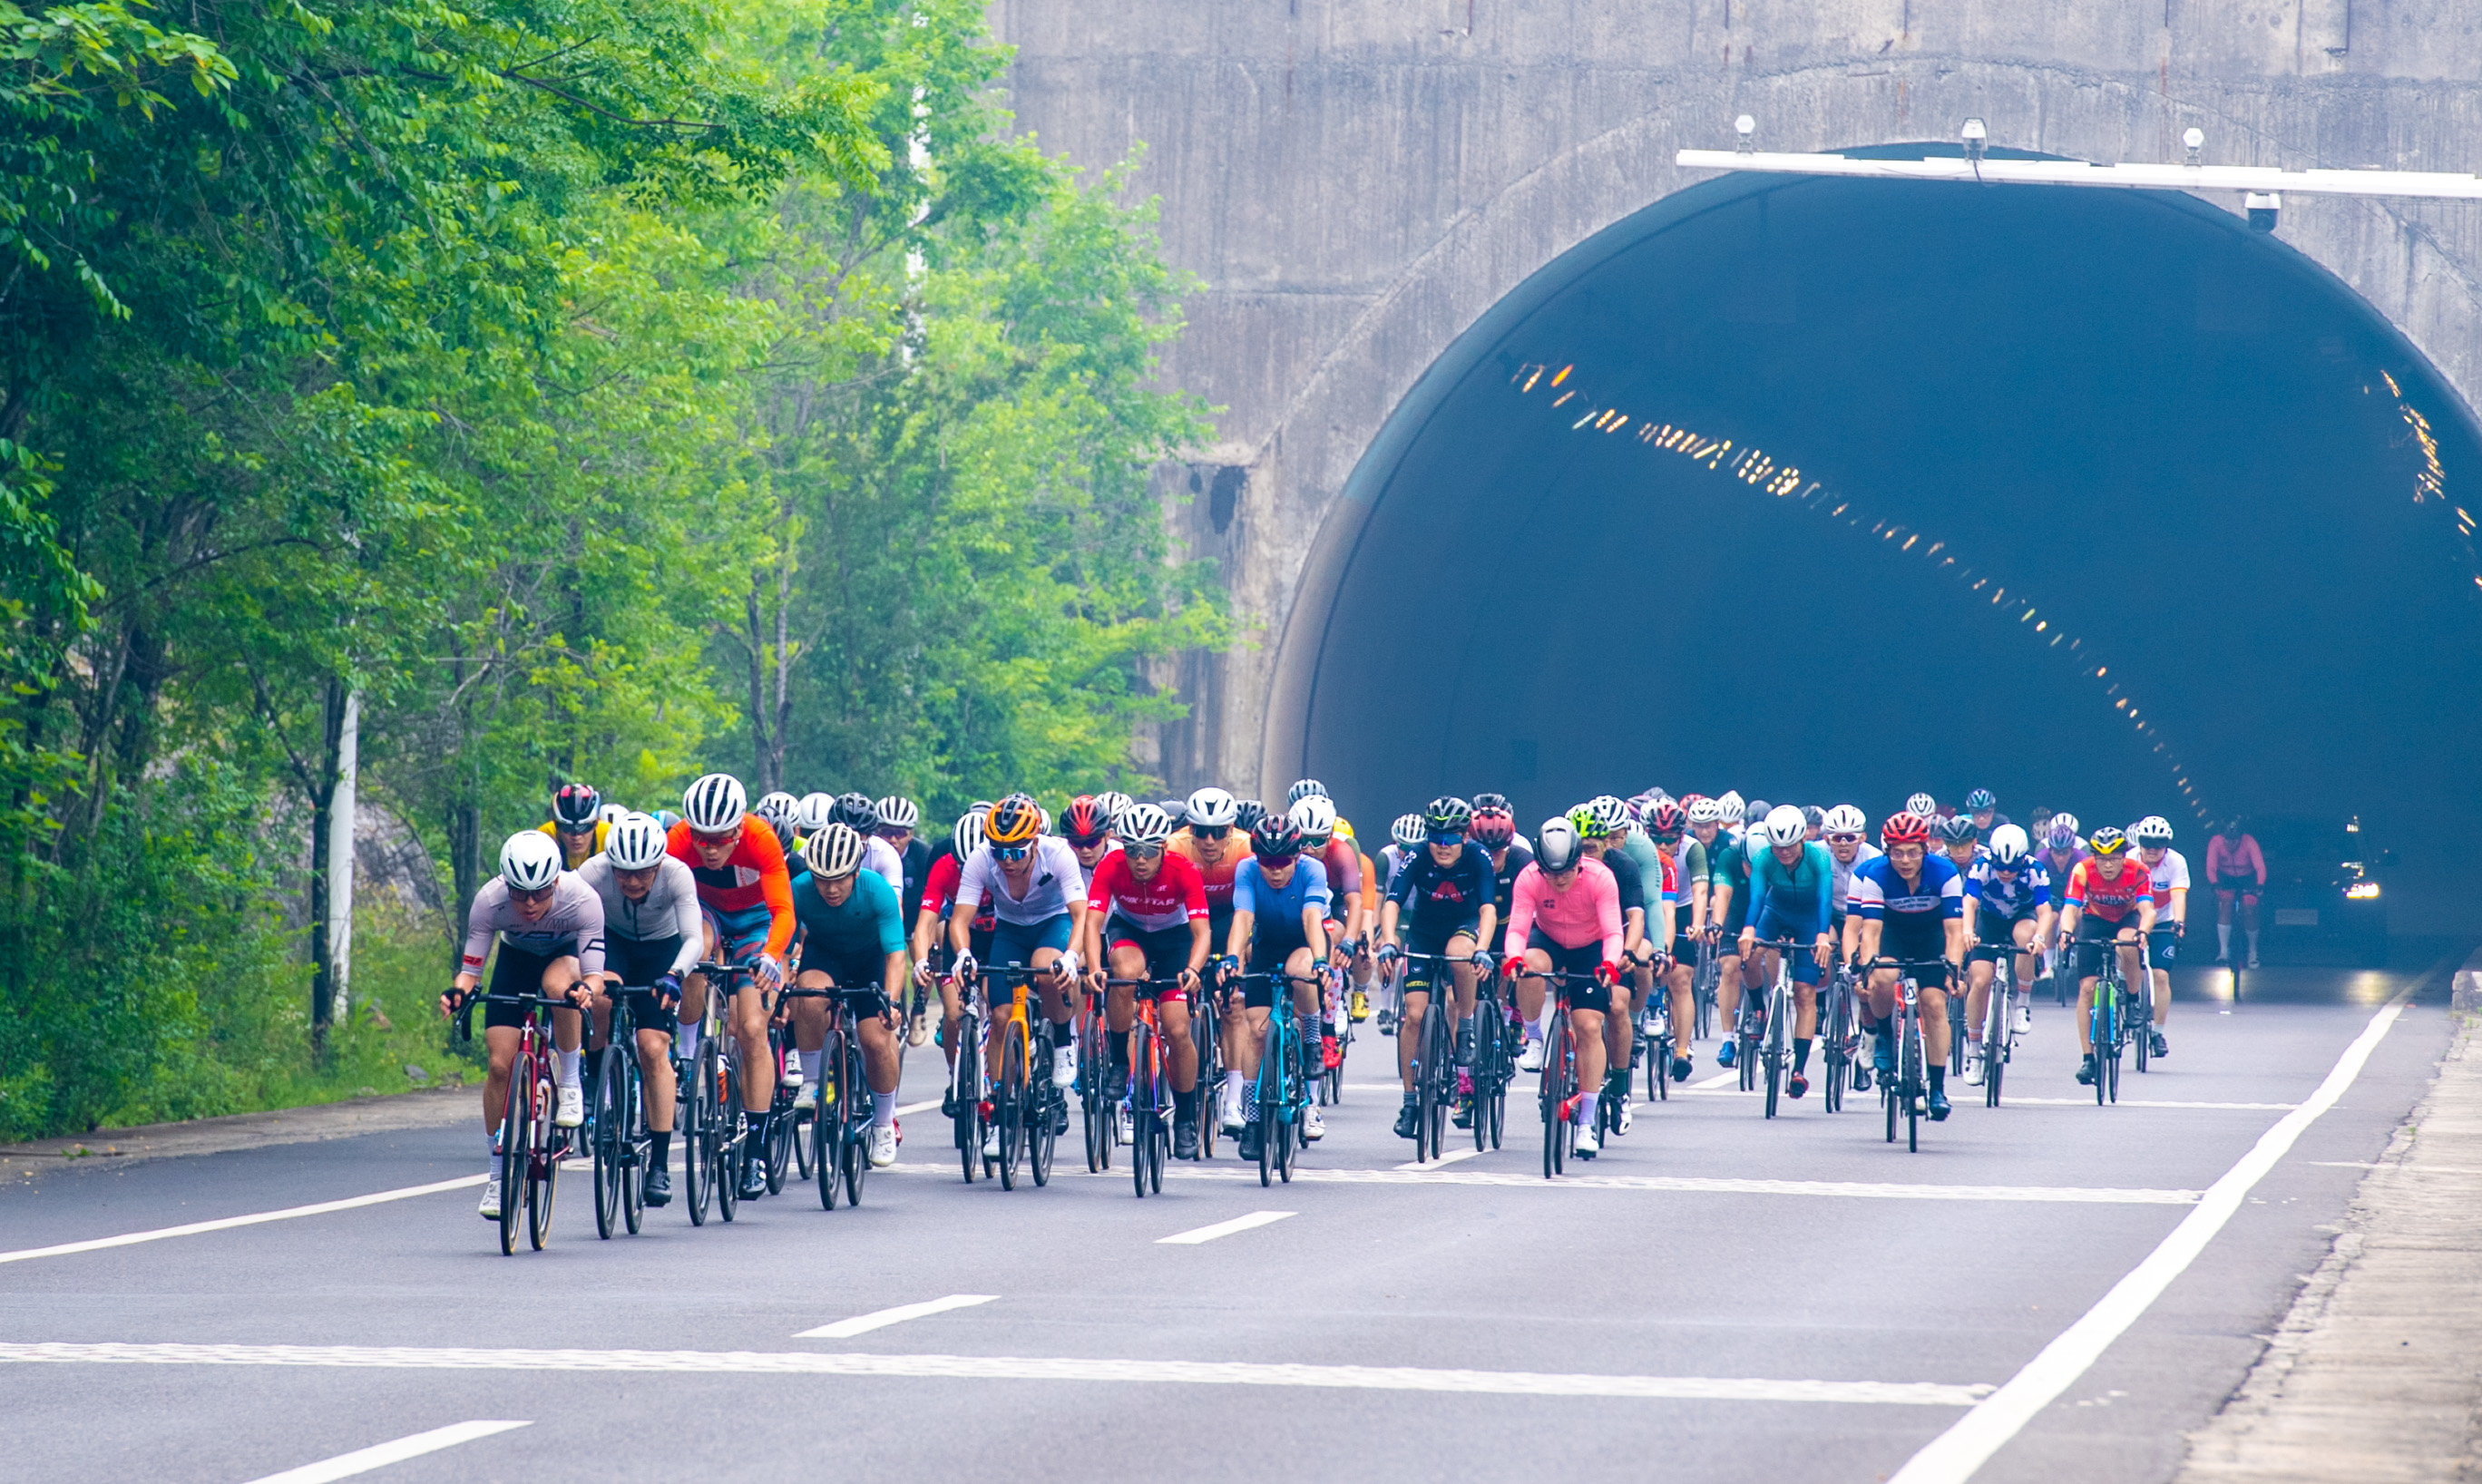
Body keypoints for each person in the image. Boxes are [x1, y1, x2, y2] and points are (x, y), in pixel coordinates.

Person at [444, 831, 603, 1220]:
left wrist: (585, 990)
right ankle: (498, 1179)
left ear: (555, 883)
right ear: (505, 885)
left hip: (565, 957)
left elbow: (595, 975)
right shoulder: (488, 901)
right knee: (500, 1065)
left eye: (539, 893)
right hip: (515, 960)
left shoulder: (582, 898)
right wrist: (458, 993)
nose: (529, 904)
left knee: (557, 986)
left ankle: (569, 1083)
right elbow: (470, 971)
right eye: (519, 893)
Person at [670, 772, 796, 1202]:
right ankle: (688, 1057)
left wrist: (771, 956)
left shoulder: (761, 839)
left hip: (755, 922)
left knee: (752, 1030)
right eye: (701, 838)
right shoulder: (680, 838)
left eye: (719, 839)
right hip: (704, 913)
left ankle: (757, 1150)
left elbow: (784, 912)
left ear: (739, 829)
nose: (708, 848)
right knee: (695, 953)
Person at [950, 795, 1088, 1156]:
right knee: (998, 1017)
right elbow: (960, 920)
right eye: (1000, 852)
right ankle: (999, 1114)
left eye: (1016, 852)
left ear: (1035, 842)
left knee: (1046, 968)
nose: (1007, 861)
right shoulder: (981, 858)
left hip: (1052, 924)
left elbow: (1081, 915)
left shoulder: (1058, 854)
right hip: (1009, 931)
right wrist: (964, 953)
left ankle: (1061, 1040)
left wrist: (1072, 956)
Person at [577, 812, 699, 1207]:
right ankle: (595, 1081)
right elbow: (566, 917)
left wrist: (675, 975)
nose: (630, 881)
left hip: (660, 951)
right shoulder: (592, 871)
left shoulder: (678, 874)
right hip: (612, 942)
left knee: (651, 1048)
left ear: (659, 863)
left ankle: (660, 1164)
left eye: (642, 873)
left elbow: (694, 938)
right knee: (600, 999)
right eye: (622, 873)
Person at [1081, 802, 1210, 1157]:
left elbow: (1202, 932)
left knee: (1178, 1029)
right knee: (1123, 975)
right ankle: (1120, 1065)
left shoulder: (1183, 870)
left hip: (1174, 938)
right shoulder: (1110, 865)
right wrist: (1094, 967)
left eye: (1148, 851)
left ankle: (1185, 1116)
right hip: (1131, 930)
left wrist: (1194, 970)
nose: (1139, 859)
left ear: (1163, 849)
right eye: (1132, 850)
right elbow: (1093, 924)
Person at [787, 824, 910, 1167]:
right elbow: (784, 944)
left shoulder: (878, 891)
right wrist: (781, 988)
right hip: (825, 956)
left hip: (870, 959)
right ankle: (812, 1081)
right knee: (807, 997)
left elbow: (895, 955)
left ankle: (884, 1122)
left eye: (840, 879)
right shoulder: (798, 889)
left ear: (856, 871)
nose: (830, 888)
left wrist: (892, 1001)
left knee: (876, 1039)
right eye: (821, 879)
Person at [1376, 796, 1498, 1140]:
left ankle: (1467, 1027)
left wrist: (1483, 948)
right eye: (1436, 838)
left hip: (1464, 924)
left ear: (1464, 837)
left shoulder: (1478, 856)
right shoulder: (1417, 854)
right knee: (1414, 1016)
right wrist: (1388, 940)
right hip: (1424, 931)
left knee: (1460, 953)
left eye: (1451, 839)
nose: (1442, 847)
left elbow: (1488, 908)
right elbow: (1393, 901)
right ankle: (1410, 1101)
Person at [1502, 817, 1622, 1157]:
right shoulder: (1529, 879)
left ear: (1578, 863)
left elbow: (1614, 931)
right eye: (1550, 873)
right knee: (1529, 965)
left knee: (1587, 1026)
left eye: (1566, 872)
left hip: (1590, 947)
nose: (1558, 880)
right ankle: (1535, 1037)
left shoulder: (1600, 878)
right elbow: (1518, 928)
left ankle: (1586, 1121)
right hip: (1549, 938)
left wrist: (1610, 963)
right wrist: (1513, 957)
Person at [1220, 812, 1333, 1154]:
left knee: (1302, 969)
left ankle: (1312, 1038)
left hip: (1304, 941)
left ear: (1297, 856)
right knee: (1255, 1032)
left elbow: (1312, 917)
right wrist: (1231, 959)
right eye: (1267, 862)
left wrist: (1321, 960)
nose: (1275, 870)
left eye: (1283, 861)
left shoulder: (1313, 870)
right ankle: (1254, 1120)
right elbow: (1243, 917)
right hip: (1266, 947)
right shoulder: (1247, 870)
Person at [1848, 812, 1966, 1121]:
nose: (1904, 860)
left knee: (1934, 1003)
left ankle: (1938, 1089)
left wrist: (1953, 970)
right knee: (1882, 977)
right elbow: (1870, 932)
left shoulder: (1945, 872)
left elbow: (1954, 931)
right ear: (1887, 852)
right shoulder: (1876, 875)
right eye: (1897, 853)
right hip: (1893, 935)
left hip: (1931, 937)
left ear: (1925, 850)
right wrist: (1866, 971)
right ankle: (1885, 1036)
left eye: (1912, 852)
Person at [1737, 805, 1835, 1099]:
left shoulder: (1819, 857)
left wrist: (1821, 934)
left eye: (1790, 846)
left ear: (1803, 838)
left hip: (1808, 919)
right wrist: (1748, 930)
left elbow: (1824, 898)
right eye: (1777, 847)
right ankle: (1759, 1008)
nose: (1784, 853)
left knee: (1805, 993)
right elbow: (1756, 898)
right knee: (1750, 956)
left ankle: (1799, 1070)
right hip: (1775, 911)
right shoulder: (1762, 858)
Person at [2061, 825, 2158, 1087]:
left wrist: (2143, 932)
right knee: (2086, 989)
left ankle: (2134, 999)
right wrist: (2067, 932)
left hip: (2127, 917)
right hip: (2095, 920)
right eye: (2102, 859)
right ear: (2094, 858)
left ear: (2123, 856)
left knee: (2127, 943)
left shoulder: (2138, 871)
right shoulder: (2082, 870)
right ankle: (2088, 1058)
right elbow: (2070, 907)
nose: (2107, 865)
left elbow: (2148, 910)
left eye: (2114, 858)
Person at [1961, 824, 2052, 1081]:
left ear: (2023, 860)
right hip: (1988, 921)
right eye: (2000, 866)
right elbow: (1969, 902)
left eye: (2013, 868)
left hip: (2021, 918)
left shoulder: (2036, 870)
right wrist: (1968, 930)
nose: (2005, 872)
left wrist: (2040, 937)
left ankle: (2022, 1002)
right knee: (1979, 981)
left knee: (2026, 937)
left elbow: (2045, 911)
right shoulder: (1981, 867)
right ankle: (1974, 1052)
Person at [2133, 815, 2185, 1059]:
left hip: (2163, 920)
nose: (2152, 849)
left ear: (2167, 845)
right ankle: (2128, 995)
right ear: (2139, 842)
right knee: (2125, 957)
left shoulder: (2176, 862)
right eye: (2147, 843)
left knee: (2160, 975)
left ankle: (2157, 1033)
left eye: (2159, 844)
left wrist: (2179, 922)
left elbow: (2178, 894)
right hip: (2133, 918)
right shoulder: (2128, 860)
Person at [2205, 817, 2265, 966]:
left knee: (2250, 909)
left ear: (2240, 838)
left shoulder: (2249, 842)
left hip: (2247, 877)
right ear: (2222, 837)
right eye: (2228, 839)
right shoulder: (2215, 842)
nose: (2232, 843)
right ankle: (2223, 952)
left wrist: (2260, 884)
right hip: (2225, 877)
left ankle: (2253, 952)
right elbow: (2211, 866)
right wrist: (2214, 883)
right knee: (2225, 905)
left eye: (2235, 840)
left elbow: (2260, 867)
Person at [539, 782, 609, 869]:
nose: (576, 836)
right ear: (556, 826)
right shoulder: (544, 837)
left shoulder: (609, 835)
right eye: (567, 828)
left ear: (596, 823)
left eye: (584, 828)